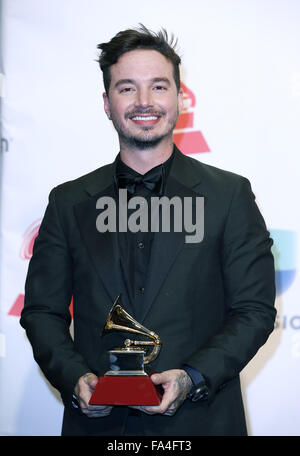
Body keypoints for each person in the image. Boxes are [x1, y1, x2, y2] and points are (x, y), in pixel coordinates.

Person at [20, 24, 276, 436]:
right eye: (126, 88)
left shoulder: (229, 195)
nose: (144, 102)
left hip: (201, 423)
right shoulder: (68, 202)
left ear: (178, 97)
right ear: (106, 103)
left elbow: (255, 310)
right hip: (99, 428)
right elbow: (42, 312)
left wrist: (192, 377)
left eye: (158, 87)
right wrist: (75, 379)